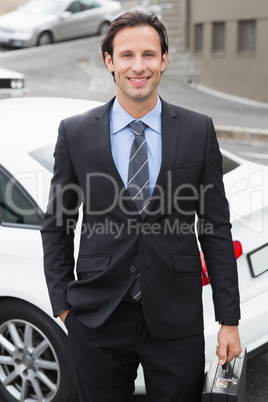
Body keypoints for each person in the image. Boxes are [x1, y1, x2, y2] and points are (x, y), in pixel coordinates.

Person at [41, 10, 242, 402]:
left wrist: (228, 320)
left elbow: (215, 227)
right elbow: (58, 224)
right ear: (109, 61)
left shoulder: (198, 129)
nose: (138, 66)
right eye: (127, 55)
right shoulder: (76, 132)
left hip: (175, 317)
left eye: (149, 55)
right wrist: (64, 306)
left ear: (164, 60)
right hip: (97, 317)